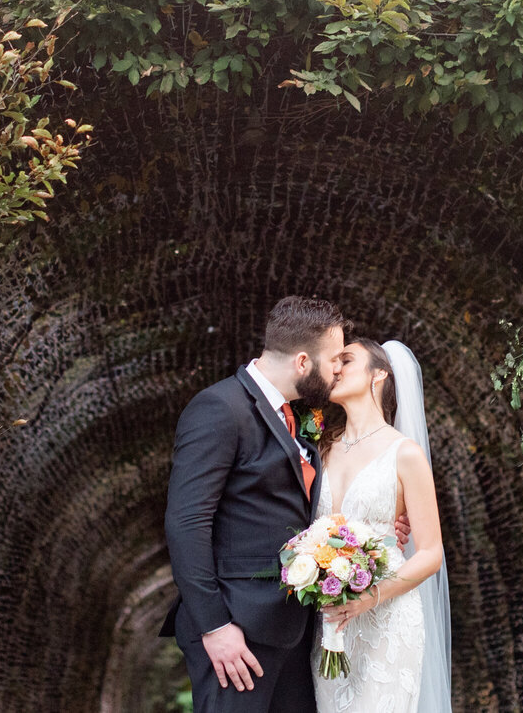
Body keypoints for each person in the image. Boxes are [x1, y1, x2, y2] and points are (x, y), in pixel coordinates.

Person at [161, 296, 349, 713]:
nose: (340, 368)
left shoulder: (292, 417)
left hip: (290, 628)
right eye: (335, 358)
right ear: (303, 362)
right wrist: (215, 626)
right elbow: (187, 522)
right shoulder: (219, 408)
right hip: (236, 632)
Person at [312, 338, 452, 713]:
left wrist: (368, 599)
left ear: (379, 375)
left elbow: (430, 554)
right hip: (329, 621)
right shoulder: (321, 449)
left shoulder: (404, 453)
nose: (335, 368)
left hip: (386, 620)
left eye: (347, 360)